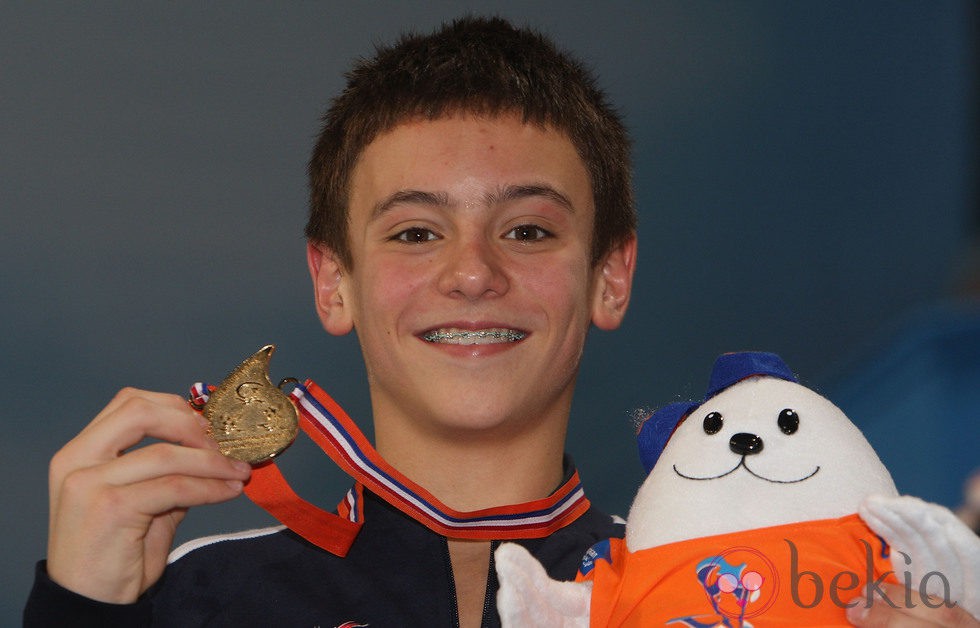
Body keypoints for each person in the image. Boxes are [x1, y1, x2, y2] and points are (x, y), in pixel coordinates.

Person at [23, 16, 978, 628]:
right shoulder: (193, 598)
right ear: (332, 282)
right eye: (414, 232)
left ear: (611, 276)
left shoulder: (739, 594)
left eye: (526, 229)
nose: (472, 272)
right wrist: (78, 614)